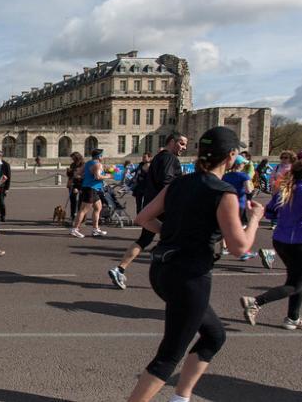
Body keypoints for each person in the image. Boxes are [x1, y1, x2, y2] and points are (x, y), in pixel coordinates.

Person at [127, 126, 263, 402]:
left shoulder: (179, 183)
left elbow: (142, 218)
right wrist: (256, 219)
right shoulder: (223, 193)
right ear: (232, 156)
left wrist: (171, 233)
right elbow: (239, 247)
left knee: (214, 335)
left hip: (162, 269)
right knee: (169, 355)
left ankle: (181, 397)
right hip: (189, 276)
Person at [240, 158, 302, 332]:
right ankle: (256, 301)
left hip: (280, 240)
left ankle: (292, 318)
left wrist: (288, 217)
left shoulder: (285, 190)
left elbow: (270, 213)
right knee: (295, 285)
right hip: (300, 243)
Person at [108, 133, 187, 289]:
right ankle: (174, 276)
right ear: (172, 142)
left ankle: (120, 269)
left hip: (152, 205)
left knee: (144, 239)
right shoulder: (170, 159)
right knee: (180, 238)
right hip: (164, 207)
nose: (184, 148)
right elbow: (167, 183)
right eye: (182, 143)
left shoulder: (158, 157)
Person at [70, 149, 111, 238]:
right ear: (99, 156)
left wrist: (86, 176)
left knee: (98, 207)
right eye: (102, 156)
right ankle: (75, 229)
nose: (103, 157)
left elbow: (77, 174)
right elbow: (98, 177)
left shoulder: (88, 163)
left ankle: (95, 229)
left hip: (91, 188)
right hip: (91, 189)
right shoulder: (98, 164)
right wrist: (108, 176)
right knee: (83, 210)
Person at [221, 155, 255, 260]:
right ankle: (243, 251)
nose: (244, 165)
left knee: (226, 225)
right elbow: (248, 190)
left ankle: (223, 247)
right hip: (239, 203)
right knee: (242, 226)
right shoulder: (244, 176)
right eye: (243, 163)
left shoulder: (226, 176)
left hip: (226, 203)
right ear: (239, 164)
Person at [0, 150, 11, 222]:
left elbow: (8, 177)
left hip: (2, 186)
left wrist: (7, 188)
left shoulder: (6, 164)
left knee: (1, 202)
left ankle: (2, 216)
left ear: (0, 156)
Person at [65, 152, 84, 222]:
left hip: (80, 184)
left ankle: (81, 218)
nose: (72, 159)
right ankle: (72, 216)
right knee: (72, 201)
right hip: (72, 184)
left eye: (73, 158)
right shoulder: (72, 164)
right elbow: (70, 175)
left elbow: (83, 175)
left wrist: (76, 175)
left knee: (81, 202)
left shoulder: (83, 165)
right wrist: (68, 172)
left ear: (77, 157)